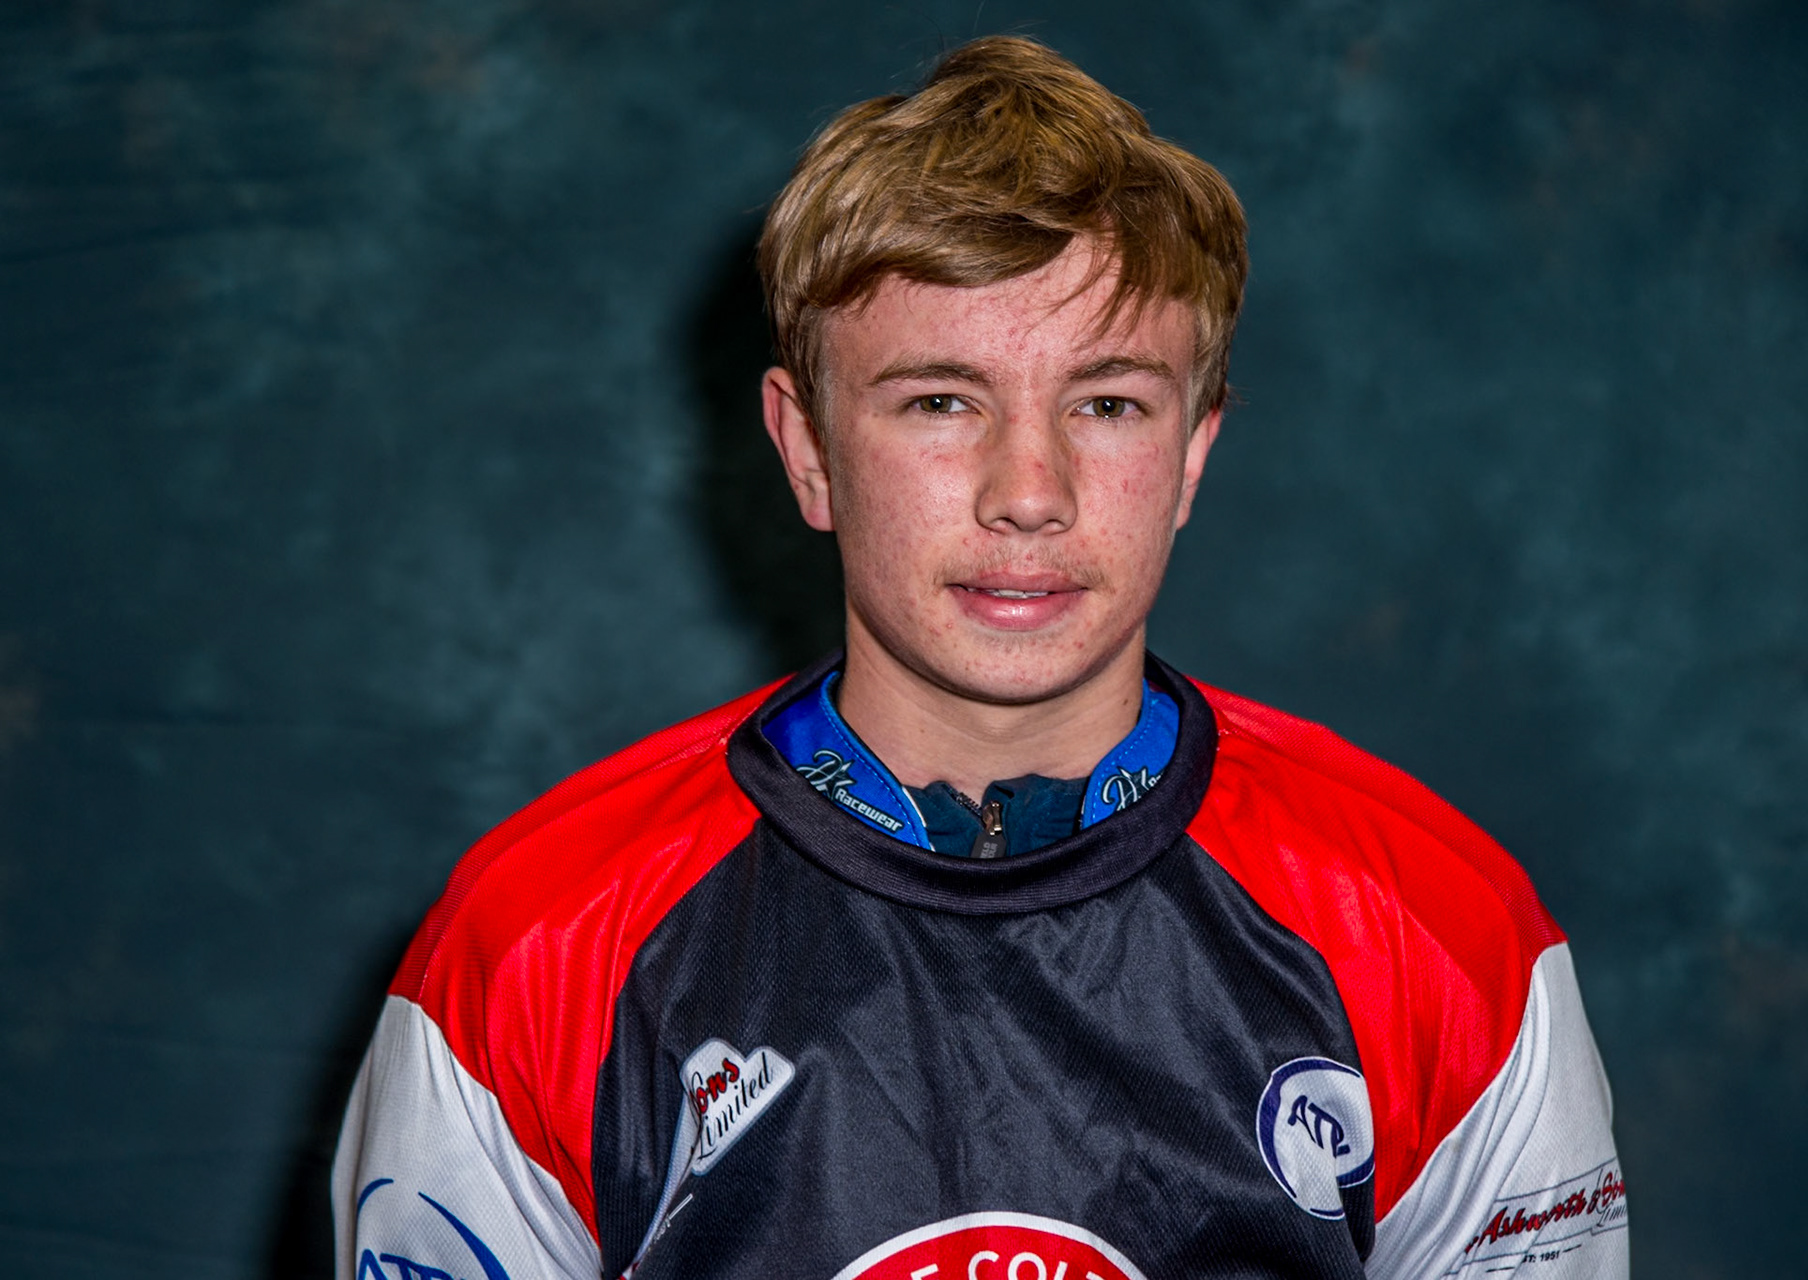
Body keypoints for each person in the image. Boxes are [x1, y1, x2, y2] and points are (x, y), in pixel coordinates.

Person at [333, 36, 1627, 1280]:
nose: (1029, 493)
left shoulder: (1434, 931)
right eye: (941, 401)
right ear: (807, 448)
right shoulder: (538, 943)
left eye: (1108, 403)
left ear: (1192, 453)